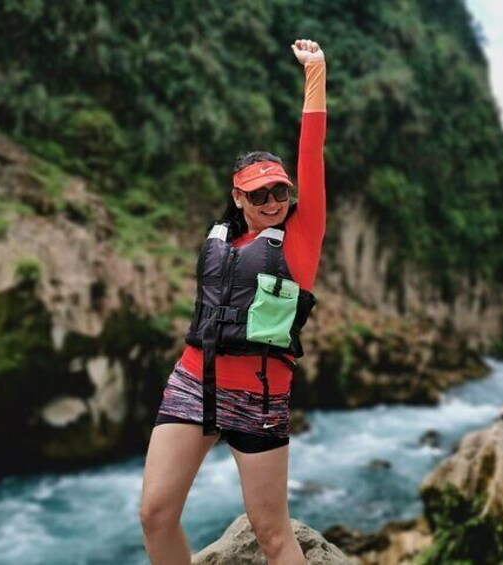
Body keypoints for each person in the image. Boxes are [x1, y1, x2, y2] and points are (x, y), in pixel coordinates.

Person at [139, 38, 326, 565]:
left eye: (280, 192)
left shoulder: (301, 238)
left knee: (272, 535)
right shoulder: (222, 235)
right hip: (194, 380)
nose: (272, 203)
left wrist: (315, 73)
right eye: (259, 194)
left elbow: (312, 152)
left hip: (259, 397)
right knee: (155, 514)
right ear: (238, 196)